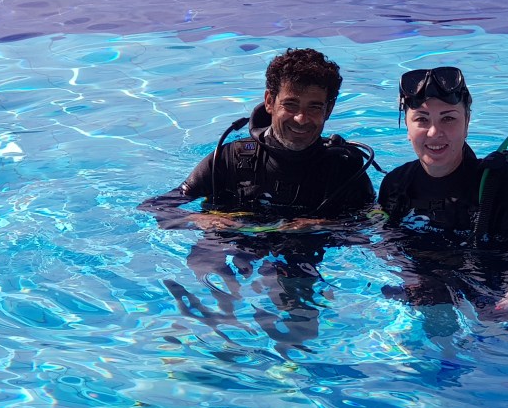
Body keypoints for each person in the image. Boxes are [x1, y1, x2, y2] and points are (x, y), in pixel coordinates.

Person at [140, 47, 375, 354]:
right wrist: (197, 219)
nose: (301, 118)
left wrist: (322, 226)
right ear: (269, 101)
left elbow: (373, 225)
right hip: (228, 242)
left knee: (299, 315)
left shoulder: (344, 170)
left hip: (299, 251)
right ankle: (189, 346)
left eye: (314, 107)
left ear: (328, 110)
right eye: (290, 104)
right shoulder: (230, 159)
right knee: (209, 274)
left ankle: (288, 365)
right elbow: (155, 207)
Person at [377, 66, 508, 320]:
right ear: (407, 126)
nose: (434, 133)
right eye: (422, 119)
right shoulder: (395, 184)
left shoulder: (500, 188)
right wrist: (405, 273)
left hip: (493, 278)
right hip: (430, 278)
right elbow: (382, 239)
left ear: (467, 123)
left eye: (448, 119)